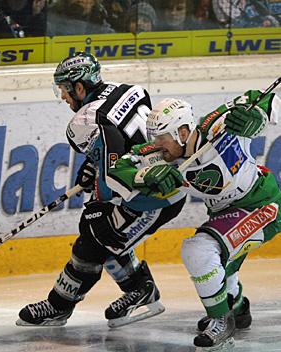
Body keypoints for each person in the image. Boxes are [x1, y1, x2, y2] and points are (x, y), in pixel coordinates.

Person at [16, 52, 187, 328]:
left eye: (64, 89)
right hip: (157, 179)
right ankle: (139, 289)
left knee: (96, 234)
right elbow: (124, 145)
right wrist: (93, 165)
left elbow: (116, 172)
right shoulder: (131, 90)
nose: (63, 97)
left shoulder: (82, 122)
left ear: (79, 87)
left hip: (153, 195)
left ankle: (60, 306)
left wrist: (99, 202)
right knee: (101, 230)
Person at [108, 91, 281, 349]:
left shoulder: (219, 126)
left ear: (184, 132)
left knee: (198, 249)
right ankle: (237, 308)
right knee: (222, 270)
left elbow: (267, 100)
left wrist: (255, 117)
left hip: (261, 204)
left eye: (163, 137)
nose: (157, 143)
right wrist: (144, 177)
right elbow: (117, 170)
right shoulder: (159, 153)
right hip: (223, 213)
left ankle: (221, 320)